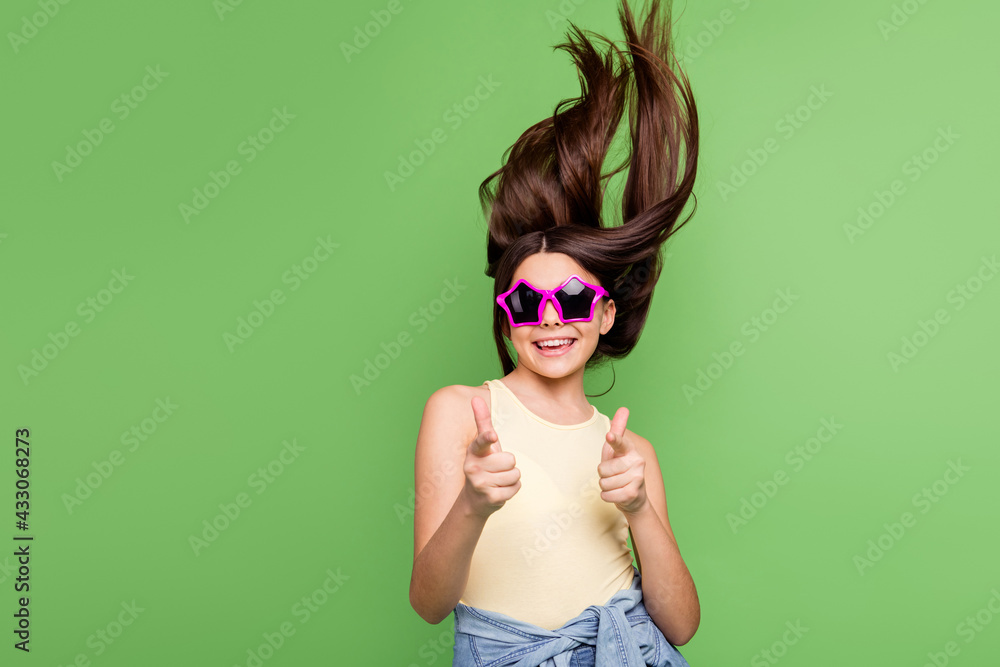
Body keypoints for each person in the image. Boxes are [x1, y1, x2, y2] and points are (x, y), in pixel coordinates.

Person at [410, 0, 700, 664]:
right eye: (526, 301)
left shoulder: (631, 450)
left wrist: (638, 509)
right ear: (506, 315)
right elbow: (428, 602)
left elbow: (681, 625)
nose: (549, 318)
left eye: (571, 299)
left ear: (603, 313)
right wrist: (475, 505)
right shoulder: (461, 411)